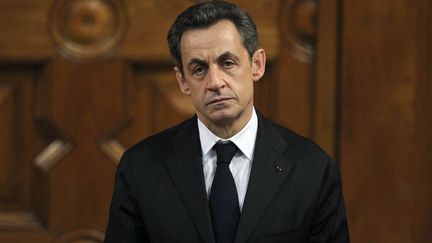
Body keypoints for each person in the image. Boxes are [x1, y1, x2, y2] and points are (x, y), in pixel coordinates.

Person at [104, 1, 350, 243]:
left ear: (257, 65)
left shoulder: (312, 170)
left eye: (227, 63)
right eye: (199, 69)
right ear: (182, 80)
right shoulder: (141, 168)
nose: (215, 82)